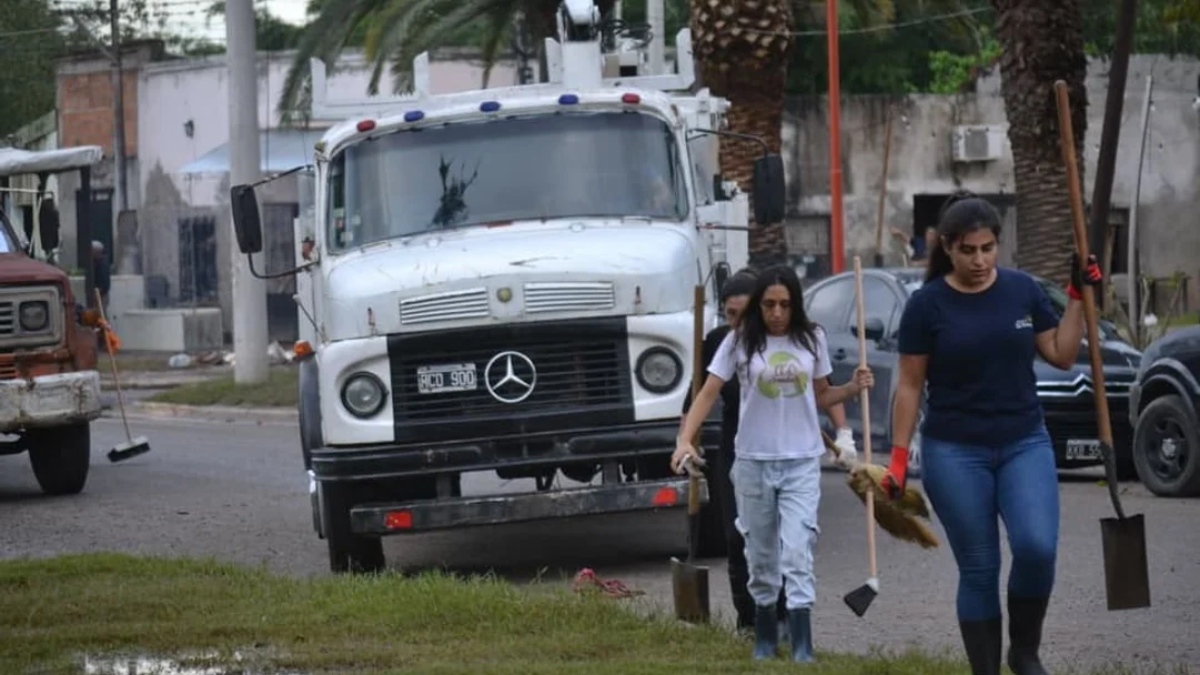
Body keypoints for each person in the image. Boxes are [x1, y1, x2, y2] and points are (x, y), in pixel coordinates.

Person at [878, 194, 1102, 675]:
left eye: (988, 248)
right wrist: (897, 460)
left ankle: (1024, 654)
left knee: (1037, 548)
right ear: (948, 249)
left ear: (998, 244)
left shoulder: (1022, 291)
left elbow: (1062, 354)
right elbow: (910, 386)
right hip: (955, 451)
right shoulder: (926, 305)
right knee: (980, 568)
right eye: (968, 251)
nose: (979, 261)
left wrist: (1079, 296)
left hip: (1024, 441)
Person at [673, 264, 874, 662]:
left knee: (798, 551)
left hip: (800, 462)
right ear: (758, 306)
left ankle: (802, 643)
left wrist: (852, 389)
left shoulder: (811, 338)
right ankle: (764, 636)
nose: (777, 313)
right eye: (769, 305)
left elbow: (822, 395)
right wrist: (683, 440)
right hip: (752, 463)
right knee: (760, 557)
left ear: (795, 304)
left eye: (784, 304)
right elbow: (708, 391)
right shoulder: (739, 341)